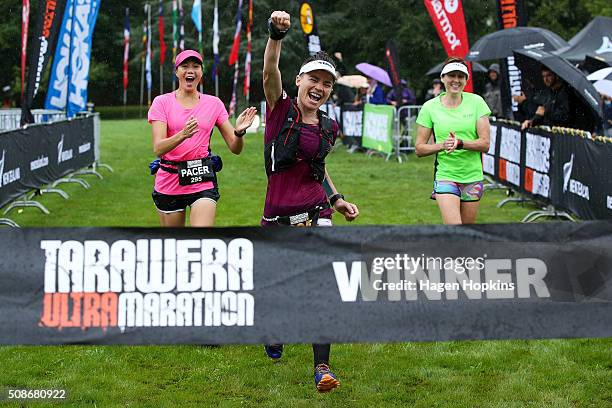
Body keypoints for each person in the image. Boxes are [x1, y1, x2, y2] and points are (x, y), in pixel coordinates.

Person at [262, 10, 359, 392]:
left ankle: (322, 368)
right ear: (299, 81)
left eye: (326, 84)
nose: (318, 87)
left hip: (316, 212)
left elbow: (316, 167)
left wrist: (335, 199)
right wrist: (275, 36)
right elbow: (270, 72)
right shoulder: (280, 110)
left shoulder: (329, 127)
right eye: (313, 79)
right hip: (277, 218)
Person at [148, 50, 257, 227]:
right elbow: (158, 148)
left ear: (201, 73)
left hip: (201, 179)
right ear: (177, 72)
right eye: (185, 66)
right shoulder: (162, 102)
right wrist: (183, 134)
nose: (190, 70)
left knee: (202, 238)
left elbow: (235, 148)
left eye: (195, 67)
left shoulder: (214, 104)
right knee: (175, 245)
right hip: (169, 179)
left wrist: (239, 132)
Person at [415, 56, 491, 225]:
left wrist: (460, 143)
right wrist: (443, 145)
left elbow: (485, 143)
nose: (456, 80)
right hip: (446, 176)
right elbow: (419, 149)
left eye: (460, 76)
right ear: (443, 78)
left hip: (472, 177)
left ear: (466, 80)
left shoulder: (477, 102)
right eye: (451, 76)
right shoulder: (430, 107)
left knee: (467, 234)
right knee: (454, 230)